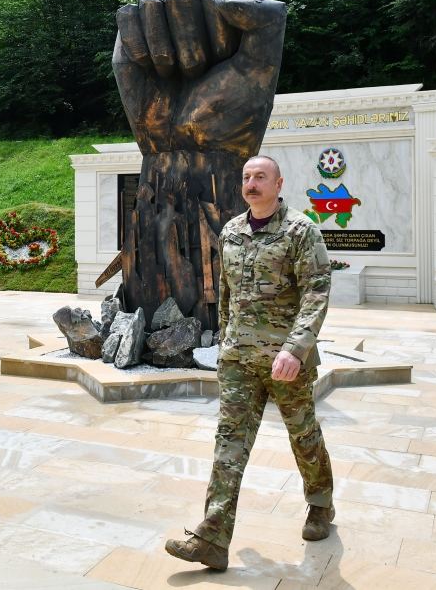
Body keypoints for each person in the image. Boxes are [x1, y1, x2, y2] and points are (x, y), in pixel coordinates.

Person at [165, 155, 334, 571]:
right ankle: (212, 538)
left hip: (284, 361)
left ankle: (319, 503)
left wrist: (295, 349)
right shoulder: (232, 231)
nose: (252, 183)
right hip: (240, 360)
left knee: (303, 434)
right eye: (246, 177)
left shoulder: (300, 231)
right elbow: (226, 294)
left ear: (279, 183)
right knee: (229, 445)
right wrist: (224, 342)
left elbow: (316, 291)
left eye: (260, 177)